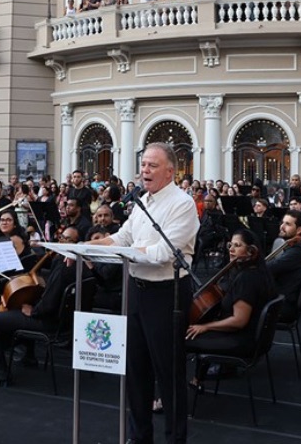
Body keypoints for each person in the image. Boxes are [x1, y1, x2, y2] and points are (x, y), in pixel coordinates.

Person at [88, 143, 199, 444]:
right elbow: (122, 236)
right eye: (143, 165)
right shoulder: (141, 201)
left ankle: (174, 439)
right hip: (136, 290)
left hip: (167, 293)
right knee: (135, 370)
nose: (144, 170)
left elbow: (164, 252)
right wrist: (86, 247)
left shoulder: (182, 204)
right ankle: (139, 437)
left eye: (152, 165)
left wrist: (124, 251)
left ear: (170, 171)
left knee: (168, 373)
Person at [0, 228, 85, 386]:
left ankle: (1, 372)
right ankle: (29, 356)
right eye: (62, 237)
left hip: (49, 323)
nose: (62, 241)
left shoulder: (63, 269)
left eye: (68, 240)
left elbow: (48, 304)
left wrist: (33, 311)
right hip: (63, 322)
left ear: (77, 243)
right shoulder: (75, 265)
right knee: (24, 304)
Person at [185, 228, 275, 379]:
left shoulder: (247, 279)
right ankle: (199, 377)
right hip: (252, 338)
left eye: (237, 245)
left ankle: (184, 384)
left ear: (251, 251)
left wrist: (206, 326)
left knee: (180, 340)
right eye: (230, 245)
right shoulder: (258, 272)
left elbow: (239, 321)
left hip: (241, 340)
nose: (231, 250)